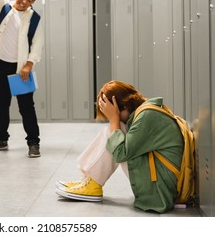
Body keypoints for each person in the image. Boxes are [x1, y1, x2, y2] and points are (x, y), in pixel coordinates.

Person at [55, 80, 184, 213]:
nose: (113, 117)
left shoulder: (147, 116)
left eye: (114, 112)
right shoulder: (145, 111)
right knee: (114, 130)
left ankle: (92, 184)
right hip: (161, 181)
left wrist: (114, 120)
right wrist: (114, 120)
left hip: (160, 191)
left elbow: (121, 153)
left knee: (116, 130)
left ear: (125, 107)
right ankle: (89, 180)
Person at [0, 0, 44, 158]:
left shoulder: (34, 18)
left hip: (21, 69)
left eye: (30, 1)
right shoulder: (4, 7)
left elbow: (37, 44)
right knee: (1, 104)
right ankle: (1, 139)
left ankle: (33, 142)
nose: (25, 2)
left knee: (26, 107)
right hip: (2, 65)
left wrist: (28, 64)